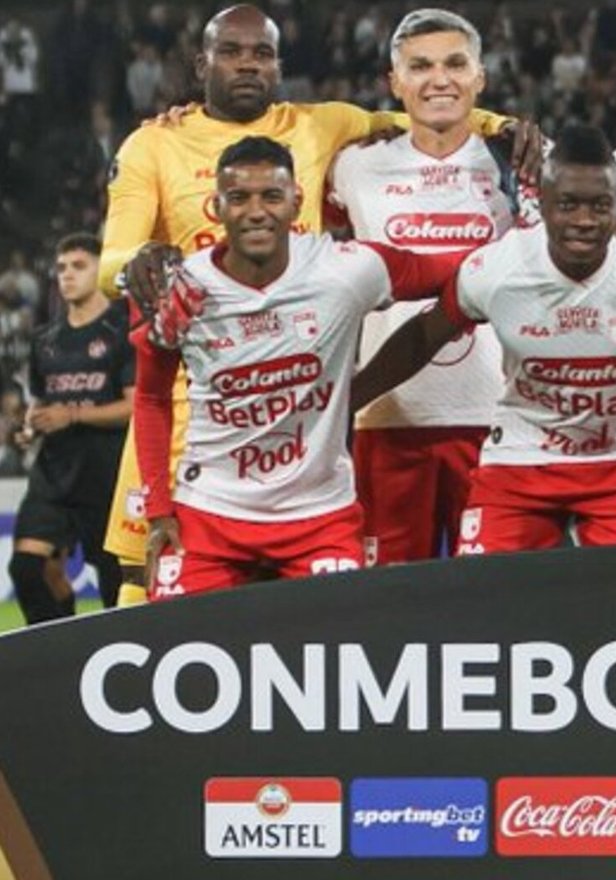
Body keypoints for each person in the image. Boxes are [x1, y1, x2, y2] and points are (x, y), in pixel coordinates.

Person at [99, 3, 527, 601]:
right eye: (231, 52)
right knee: (142, 581)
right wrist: (140, 265)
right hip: (194, 408)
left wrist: (501, 125)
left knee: (325, 615)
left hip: (303, 415)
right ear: (201, 65)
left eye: (262, 53)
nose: (248, 65)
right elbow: (111, 265)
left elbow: (419, 105)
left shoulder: (321, 126)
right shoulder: (154, 144)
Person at [354, 125, 616, 553]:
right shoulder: (496, 268)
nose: (584, 221)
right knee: (485, 586)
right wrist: (349, 398)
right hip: (520, 460)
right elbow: (423, 337)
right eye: (568, 205)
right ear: (543, 204)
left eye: (599, 206)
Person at [133, 137, 466, 599]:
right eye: (239, 198)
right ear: (217, 207)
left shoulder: (345, 270)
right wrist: (158, 511)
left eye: (271, 196)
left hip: (320, 517)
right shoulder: (180, 289)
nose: (256, 212)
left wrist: (357, 391)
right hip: (210, 514)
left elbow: (461, 275)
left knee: (340, 639)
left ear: (296, 202)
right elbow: (150, 397)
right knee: (179, 639)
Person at [330, 9, 519, 566]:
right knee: (388, 598)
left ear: (480, 77)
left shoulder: (523, 161)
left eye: (455, 64)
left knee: (493, 595)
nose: (440, 80)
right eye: (420, 67)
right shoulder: (352, 167)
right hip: (388, 415)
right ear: (395, 83)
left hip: (499, 417)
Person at [8, 235, 131, 623]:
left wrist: (73, 415)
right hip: (54, 472)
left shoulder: (121, 330)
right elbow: (41, 400)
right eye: (61, 268)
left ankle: (109, 651)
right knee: (28, 569)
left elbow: (134, 406)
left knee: (114, 584)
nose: (67, 275)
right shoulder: (45, 339)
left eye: (79, 266)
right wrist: (31, 425)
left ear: (100, 269)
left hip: (106, 474)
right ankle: (53, 649)